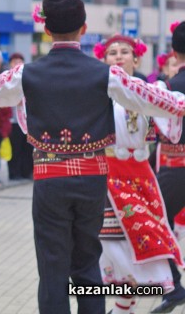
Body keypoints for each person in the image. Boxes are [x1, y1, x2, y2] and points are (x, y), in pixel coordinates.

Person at [0, 0, 185, 314]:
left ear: (46, 29)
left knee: (52, 268)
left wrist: (27, 91)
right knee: (88, 263)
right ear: (85, 28)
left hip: (49, 178)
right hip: (93, 180)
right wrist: (180, 102)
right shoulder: (104, 73)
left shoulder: (28, 73)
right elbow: (151, 97)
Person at [93, 35, 183, 314]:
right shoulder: (97, 93)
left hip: (142, 176)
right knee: (115, 246)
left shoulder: (150, 90)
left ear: (137, 59)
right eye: (111, 53)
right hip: (109, 176)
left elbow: (172, 125)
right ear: (104, 60)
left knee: (140, 244)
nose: (118, 56)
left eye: (124, 52)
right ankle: (123, 308)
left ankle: (124, 308)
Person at [150, 20, 185, 313]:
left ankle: (173, 286)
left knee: (154, 222)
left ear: (174, 53)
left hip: (177, 166)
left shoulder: (169, 87)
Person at [6, 52, 33, 181]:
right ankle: (14, 173)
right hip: (13, 121)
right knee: (14, 148)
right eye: (14, 61)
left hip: (28, 121)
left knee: (27, 148)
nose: (17, 63)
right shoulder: (6, 79)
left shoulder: (29, 78)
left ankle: (26, 172)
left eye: (19, 61)